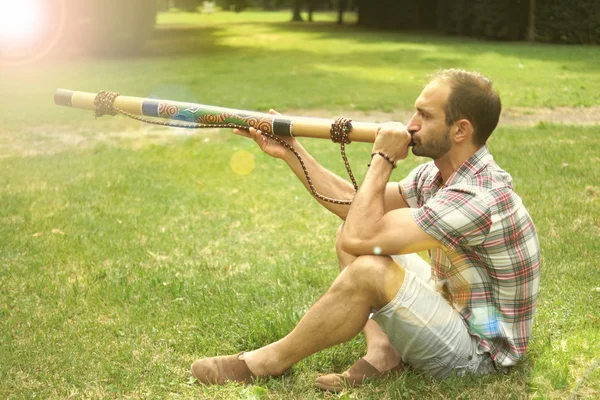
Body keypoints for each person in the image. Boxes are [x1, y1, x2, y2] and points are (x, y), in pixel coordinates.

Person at [190, 69, 541, 392]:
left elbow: (361, 233)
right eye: (415, 112)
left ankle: (266, 362)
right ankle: (383, 357)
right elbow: (356, 208)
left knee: (369, 264)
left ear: (460, 130)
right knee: (358, 241)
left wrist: (384, 159)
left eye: (425, 116)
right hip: (452, 308)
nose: (411, 124)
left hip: (479, 357)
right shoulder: (439, 175)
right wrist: (293, 152)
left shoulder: (475, 196)